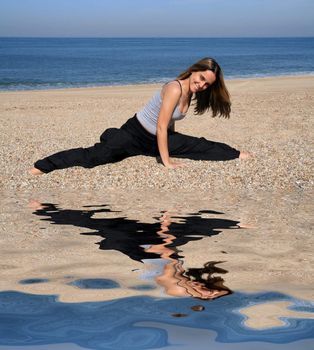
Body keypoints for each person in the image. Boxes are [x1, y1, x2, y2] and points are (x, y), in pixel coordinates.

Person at [30, 57, 250, 175]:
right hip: (134, 134)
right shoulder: (175, 88)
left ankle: (235, 153)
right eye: (201, 77)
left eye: (206, 83)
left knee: (198, 146)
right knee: (94, 158)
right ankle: (43, 166)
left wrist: (172, 144)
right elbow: (161, 126)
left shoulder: (192, 93)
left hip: (156, 138)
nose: (201, 84)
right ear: (194, 70)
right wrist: (166, 162)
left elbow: (168, 123)